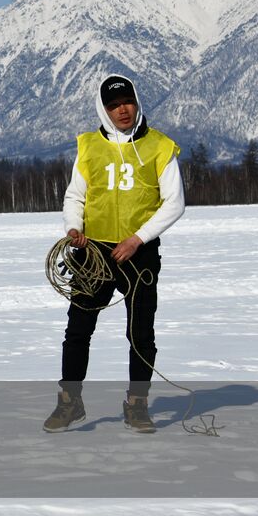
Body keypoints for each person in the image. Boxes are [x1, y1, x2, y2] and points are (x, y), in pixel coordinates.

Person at [43, 74, 185, 435]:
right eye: (113, 105)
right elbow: (75, 196)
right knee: (78, 330)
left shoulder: (159, 146)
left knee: (141, 334)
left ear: (136, 102)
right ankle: (69, 401)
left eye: (127, 102)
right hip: (93, 253)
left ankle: (137, 405)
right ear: (103, 109)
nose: (122, 110)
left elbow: (174, 203)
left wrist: (138, 239)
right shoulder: (89, 146)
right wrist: (74, 228)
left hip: (139, 255)